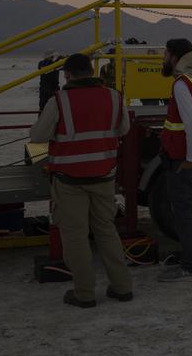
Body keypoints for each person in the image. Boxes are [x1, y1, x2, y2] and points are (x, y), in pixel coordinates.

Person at [28, 53, 134, 308]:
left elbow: (38, 136)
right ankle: (122, 287)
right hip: (104, 175)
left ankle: (84, 293)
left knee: (75, 236)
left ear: (67, 74)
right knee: (106, 231)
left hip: (69, 180)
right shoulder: (114, 96)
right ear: (91, 71)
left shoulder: (60, 101)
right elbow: (124, 130)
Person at [158, 38, 192, 283]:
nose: (163, 58)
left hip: (183, 158)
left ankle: (191, 268)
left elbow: (190, 123)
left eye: (166, 54)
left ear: (174, 56)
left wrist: (189, 159)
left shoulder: (182, 85)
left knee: (184, 214)